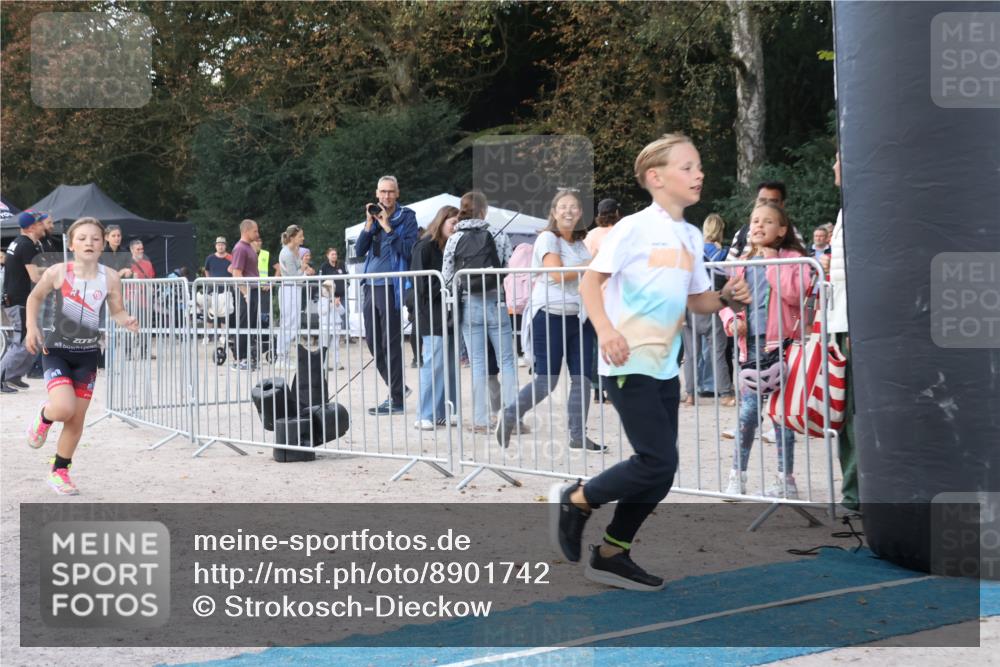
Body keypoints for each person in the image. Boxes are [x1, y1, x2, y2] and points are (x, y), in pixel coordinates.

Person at [554, 134, 751, 591]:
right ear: (656, 178)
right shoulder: (632, 228)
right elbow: (589, 283)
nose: (698, 174)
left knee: (661, 471)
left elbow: (697, 300)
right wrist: (607, 331)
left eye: (698, 166)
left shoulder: (690, 235)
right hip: (627, 362)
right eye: (687, 167)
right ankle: (578, 499)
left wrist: (725, 297)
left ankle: (610, 554)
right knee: (656, 461)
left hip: (666, 366)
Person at [24, 217, 140, 495]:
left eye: (95, 238)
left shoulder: (110, 277)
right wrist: (31, 327)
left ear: (103, 244)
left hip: (87, 354)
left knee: (76, 419)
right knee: (63, 409)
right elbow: (34, 297)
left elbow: (116, 311)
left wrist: (127, 320)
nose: (89, 242)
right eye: (83, 238)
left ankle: (59, 472)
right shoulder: (58, 272)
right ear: (71, 244)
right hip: (57, 350)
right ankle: (44, 416)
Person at [497, 189, 602, 451]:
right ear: (554, 212)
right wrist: (592, 265)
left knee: (583, 379)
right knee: (547, 381)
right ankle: (510, 414)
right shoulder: (547, 238)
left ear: (580, 213)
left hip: (579, 317)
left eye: (574, 207)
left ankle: (577, 435)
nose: (568, 211)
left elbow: (592, 277)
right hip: (549, 315)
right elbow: (557, 274)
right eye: (563, 207)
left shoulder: (580, 243)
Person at [719, 203, 809, 499]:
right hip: (752, 348)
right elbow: (726, 300)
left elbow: (795, 295)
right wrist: (732, 320)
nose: (758, 225)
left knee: (782, 415)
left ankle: (786, 479)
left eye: (767, 221)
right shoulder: (743, 262)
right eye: (755, 220)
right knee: (748, 413)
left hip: (785, 347)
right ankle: (737, 476)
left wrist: (772, 262)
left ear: (782, 230)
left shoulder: (793, 259)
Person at [441, 191, 517, 433]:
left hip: (468, 303)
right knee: (507, 361)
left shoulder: (454, 238)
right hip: (496, 301)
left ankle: (481, 420)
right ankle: (511, 418)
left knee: (477, 363)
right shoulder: (498, 234)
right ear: (484, 211)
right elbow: (507, 266)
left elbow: (447, 275)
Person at [355, 175, 419, 415]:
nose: (386, 196)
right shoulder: (373, 217)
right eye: (382, 192)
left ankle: (397, 399)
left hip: (391, 285)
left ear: (397, 193)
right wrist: (369, 224)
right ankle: (398, 388)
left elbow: (409, 250)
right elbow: (359, 250)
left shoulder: (407, 217)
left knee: (390, 342)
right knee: (373, 342)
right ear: (376, 193)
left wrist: (387, 227)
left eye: (390, 191)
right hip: (370, 285)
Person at [822, 152, 857, 512]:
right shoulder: (849, 208)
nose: (833, 167)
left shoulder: (860, 208)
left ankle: (855, 494)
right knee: (844, 413)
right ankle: (853, 492)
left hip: (851, 323)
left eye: (838, 160)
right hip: (842, 321)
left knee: (851, 413)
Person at [409, 205, 459, 429]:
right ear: (442, 221)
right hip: (431, 314)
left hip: (451, 314)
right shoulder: (424, 246)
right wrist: (444, 285)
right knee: (433, 364)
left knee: (449, 365)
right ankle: (425, 414)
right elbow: (421, 285)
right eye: (453, 222)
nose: (456, 227)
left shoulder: (454, 247)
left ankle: (444, 411)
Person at [681, 213, 735, 407]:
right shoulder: (723, 253)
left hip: (688, 305)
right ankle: (725, 394)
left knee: (690, 355)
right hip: (711, 305)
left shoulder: (691, 251)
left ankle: (690, 395)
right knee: (718, 352)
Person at [1, 210, 47, 392]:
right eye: (40, 223)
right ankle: (2, 378)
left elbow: (29, 270)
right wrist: (53, 276)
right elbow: (34, 276)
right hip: (19, 300)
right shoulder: (26, 245)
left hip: (20, 299)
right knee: (22, 341)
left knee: (35, 339)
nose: (44, 226)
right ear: (31, 227)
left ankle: (13, 376)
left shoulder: (19, 242)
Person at [726, 181, 788, 261]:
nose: (766, 205)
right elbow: (729, 265)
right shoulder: (741, 233)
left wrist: (773, 260)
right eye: (762, 200)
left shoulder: (791, 235)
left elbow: (798, 267)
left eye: (773, 202)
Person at [229, 219, 261, 369]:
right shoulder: (240, 248)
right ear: (246, 231)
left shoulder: (248, 247)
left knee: (250, 324)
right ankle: (239, 359)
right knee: (244, 324)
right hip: (246, 292)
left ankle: (245, 357)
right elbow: (236, 273)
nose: (257, 234)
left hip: (252, 290)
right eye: (255, 231)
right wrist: (245, 294)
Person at [276, 224, 306, 368]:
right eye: (300, 236)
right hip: (289, 289)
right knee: (288, 323)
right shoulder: (287, 253)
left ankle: (284, 355)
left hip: (293, 289)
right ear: (292, 237)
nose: (303, 238)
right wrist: (304, 269)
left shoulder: (294, 251)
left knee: (292, 323)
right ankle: (281, 357)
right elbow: (295, 276)